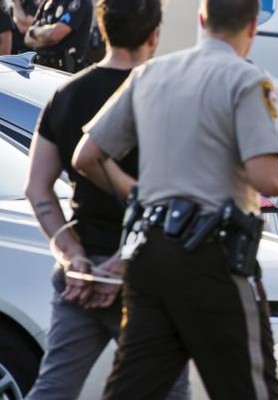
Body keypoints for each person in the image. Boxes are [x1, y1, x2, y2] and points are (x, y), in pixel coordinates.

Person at [71, 0, 278, 398]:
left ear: (201, 19)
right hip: (213, 257)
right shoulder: (248, 80)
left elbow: (87, 157)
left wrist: (144, 198)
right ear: (253, 26)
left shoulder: (151, 73)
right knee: (251, 388)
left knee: (133, 387)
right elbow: (267, 177)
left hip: (149, 254)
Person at [24, 0, 191, 399]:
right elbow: (180, 196)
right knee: (169, 391)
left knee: (54, 388)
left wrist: (72, 254)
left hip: (82, 276)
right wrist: (120, 265)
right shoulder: (169, 98)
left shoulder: (65, 94)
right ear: (155, 36)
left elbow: (37, 188)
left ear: (101, 30)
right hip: (146, 275)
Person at [24, 0, 92, 72]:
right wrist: (45, 36)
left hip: (65, 71)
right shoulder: (47, 3)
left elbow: (55, 35)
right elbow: (27, 39)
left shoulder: (79, 2)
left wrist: (34, 33)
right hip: (41, 67)